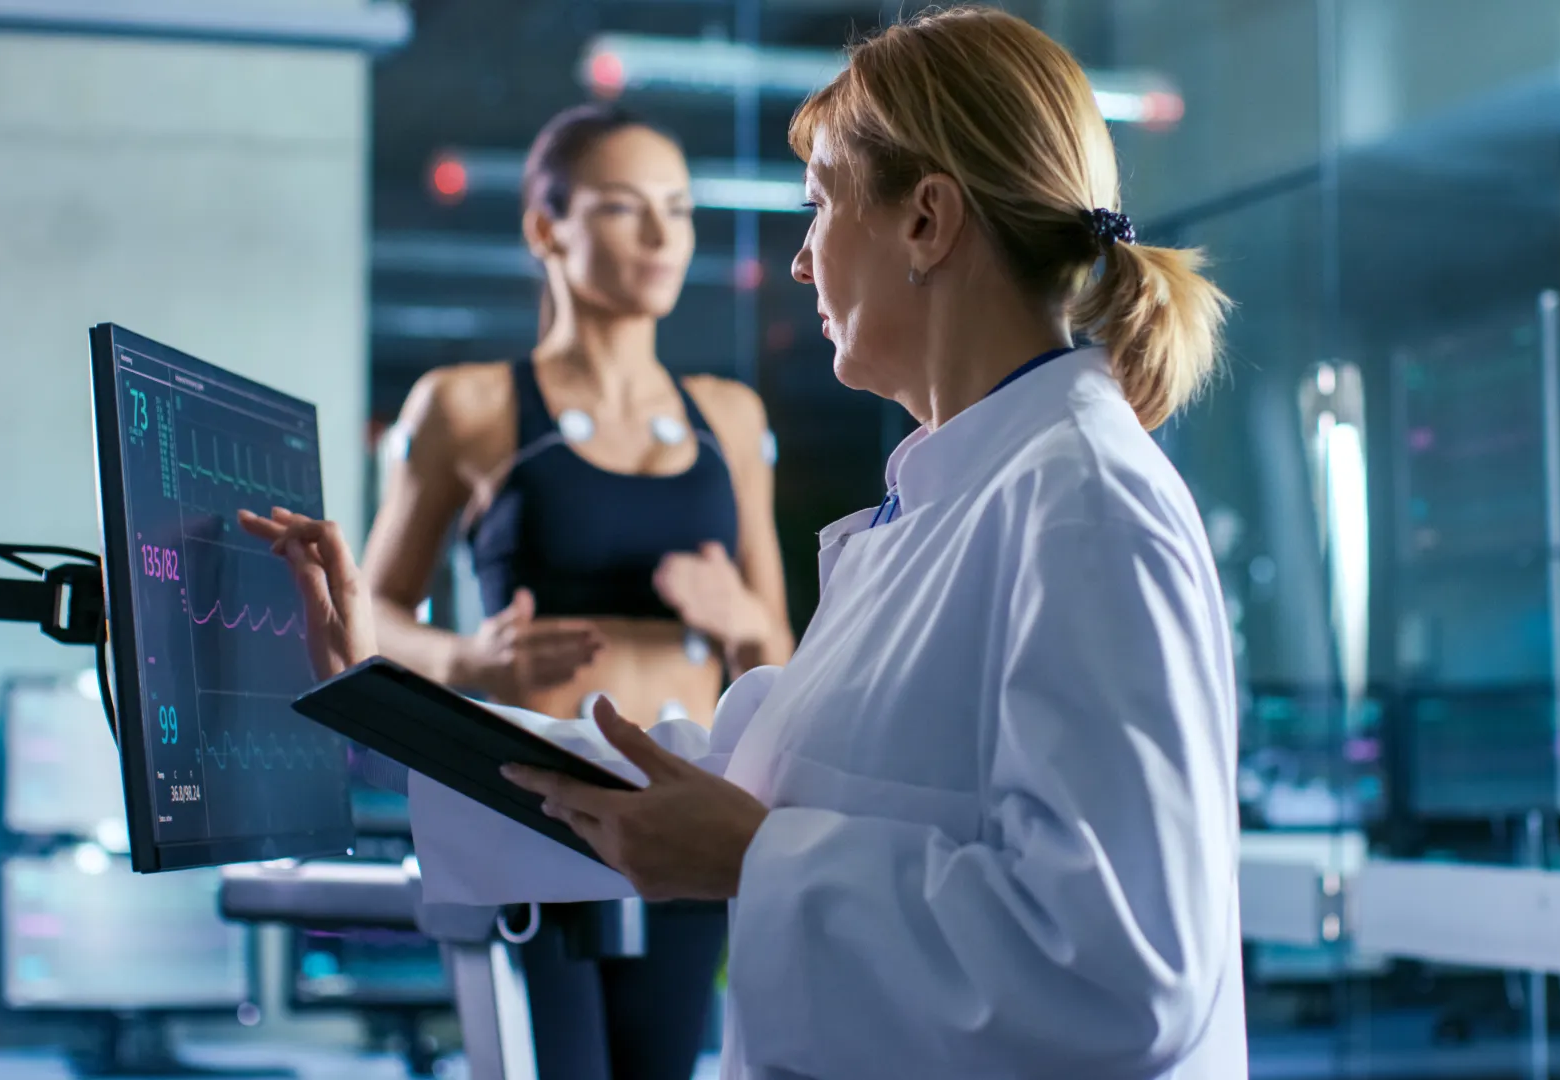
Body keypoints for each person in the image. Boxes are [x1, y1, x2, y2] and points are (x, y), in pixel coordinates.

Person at [246, 6, 1244, 1077]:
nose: (801, 263)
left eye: (819, 207)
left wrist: (758, 860)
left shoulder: (1084, 502)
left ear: (926, 222)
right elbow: (728, 781)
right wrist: (382, 695)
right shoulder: (958, 498)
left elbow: (1118, 972)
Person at [358, 103, 793, 1080]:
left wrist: (742, 619)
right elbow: (369, 619)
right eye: (624, 207)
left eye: (678, 209)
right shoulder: (467, 406)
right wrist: (467, 659)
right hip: (531, 816)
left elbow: (781, 662)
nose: (662, 236)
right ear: (547, 229)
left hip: (680, 816)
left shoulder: (729, 416)